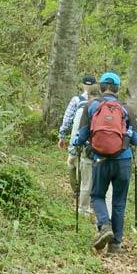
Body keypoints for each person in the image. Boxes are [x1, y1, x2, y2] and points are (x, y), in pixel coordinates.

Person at [72, 71, 137, 255]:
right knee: (119, 202)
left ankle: (104, 225)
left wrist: (78, 145)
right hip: (123, 161)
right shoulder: (128, 109)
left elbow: (81, 136)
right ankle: (115, 245)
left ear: (101, 87)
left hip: (100, 159)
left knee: (97, 196)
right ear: (118, 88)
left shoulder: (91, 106)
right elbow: (136, 140)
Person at [58, 75, 98, 216]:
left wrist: (62, 135)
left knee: (71, 163)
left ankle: (77, 192)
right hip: (90, 143)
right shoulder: (98, 102)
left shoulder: (76, 100)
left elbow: (67, 118)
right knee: (86, 169)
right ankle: (85, 196)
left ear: (82, 85)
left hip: (76, 139)